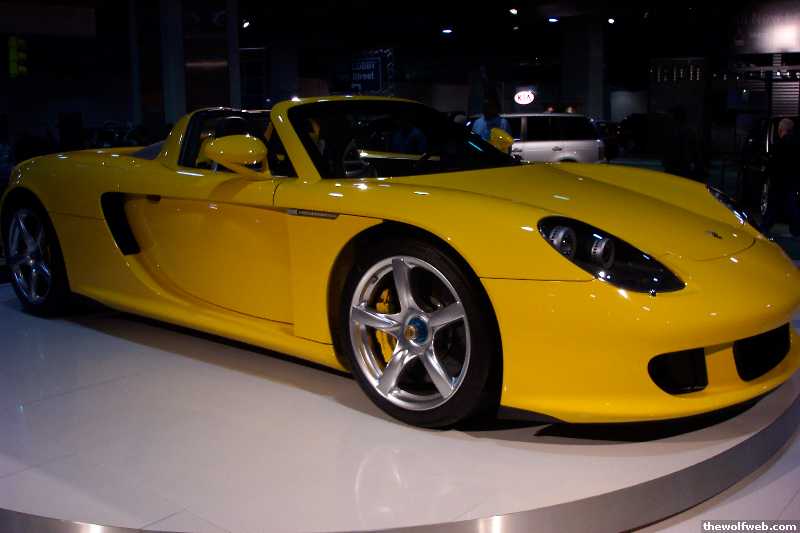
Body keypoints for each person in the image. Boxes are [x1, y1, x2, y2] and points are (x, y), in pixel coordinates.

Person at [766, 117, 800, 237]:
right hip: (792, 180)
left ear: (781, 129)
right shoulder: (796, 143)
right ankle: (796, 230)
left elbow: (774, 164)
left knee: (773, 206)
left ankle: (765, 227)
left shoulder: (779, 144)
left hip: (779, 181)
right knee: (792, 206)